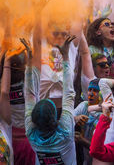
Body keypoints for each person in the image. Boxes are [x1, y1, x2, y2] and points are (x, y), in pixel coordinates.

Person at [23, 35, 77, 165]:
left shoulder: (30, 133)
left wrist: (30, 63)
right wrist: (65, 57)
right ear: (54, 116)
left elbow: (30, 95)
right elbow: (68, 94)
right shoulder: (65, 131)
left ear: (34, 118)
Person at [74, 78, 102, 165]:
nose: (91, 93)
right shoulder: (84, 105)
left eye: (95, 91)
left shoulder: (106, 114)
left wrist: (82, 140)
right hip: (86, 158)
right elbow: (69, 117)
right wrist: (76, 118)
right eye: (90, 90)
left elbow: (101, 150)